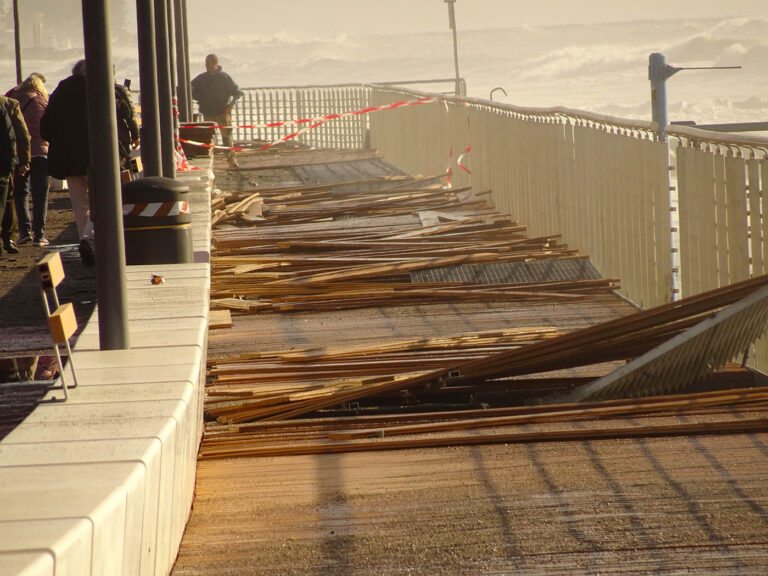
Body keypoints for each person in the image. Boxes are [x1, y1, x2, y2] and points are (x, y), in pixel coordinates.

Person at [41, 59, 138, 265]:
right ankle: (90, 240)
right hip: (102, 157)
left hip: (69, 160)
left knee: (80, 205)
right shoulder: (104, 88)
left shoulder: (61, 91)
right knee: (105, 201)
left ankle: (89, 248)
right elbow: (126, 116)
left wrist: (62, 141)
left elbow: (46, 128)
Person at [7, 73, 50, 246]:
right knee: (40, 195)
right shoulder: (42, 101)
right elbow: (49, 126)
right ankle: (39, 235)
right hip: (40, 153)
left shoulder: (12, 100)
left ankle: (24, 232)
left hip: (18, 154)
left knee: (20, 193)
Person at [191, 54, 243, 168]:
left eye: (208, 64)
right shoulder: (202, 78)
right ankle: (208, 164)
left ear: (215, 64)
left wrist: (231, 105)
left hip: (222, 112)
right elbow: (190, 88)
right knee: (207, 139)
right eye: (205, 64)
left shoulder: (224, 78)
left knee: (227, 138)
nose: (206, 66)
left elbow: (238, 92)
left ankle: (232, 162)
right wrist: (198, 96)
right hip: (208, 113)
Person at [0, 93, 30, 258]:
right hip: (6, 162)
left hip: (5, 161)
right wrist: (23, 161)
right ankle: (9, 238)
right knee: (9, 198)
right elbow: (22, 135)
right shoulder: (10, 104)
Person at [114, 79, 139, 172]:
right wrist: (135, 136)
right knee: (123, 167)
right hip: (121, 137)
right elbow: (131, 115)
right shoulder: (120, 90)